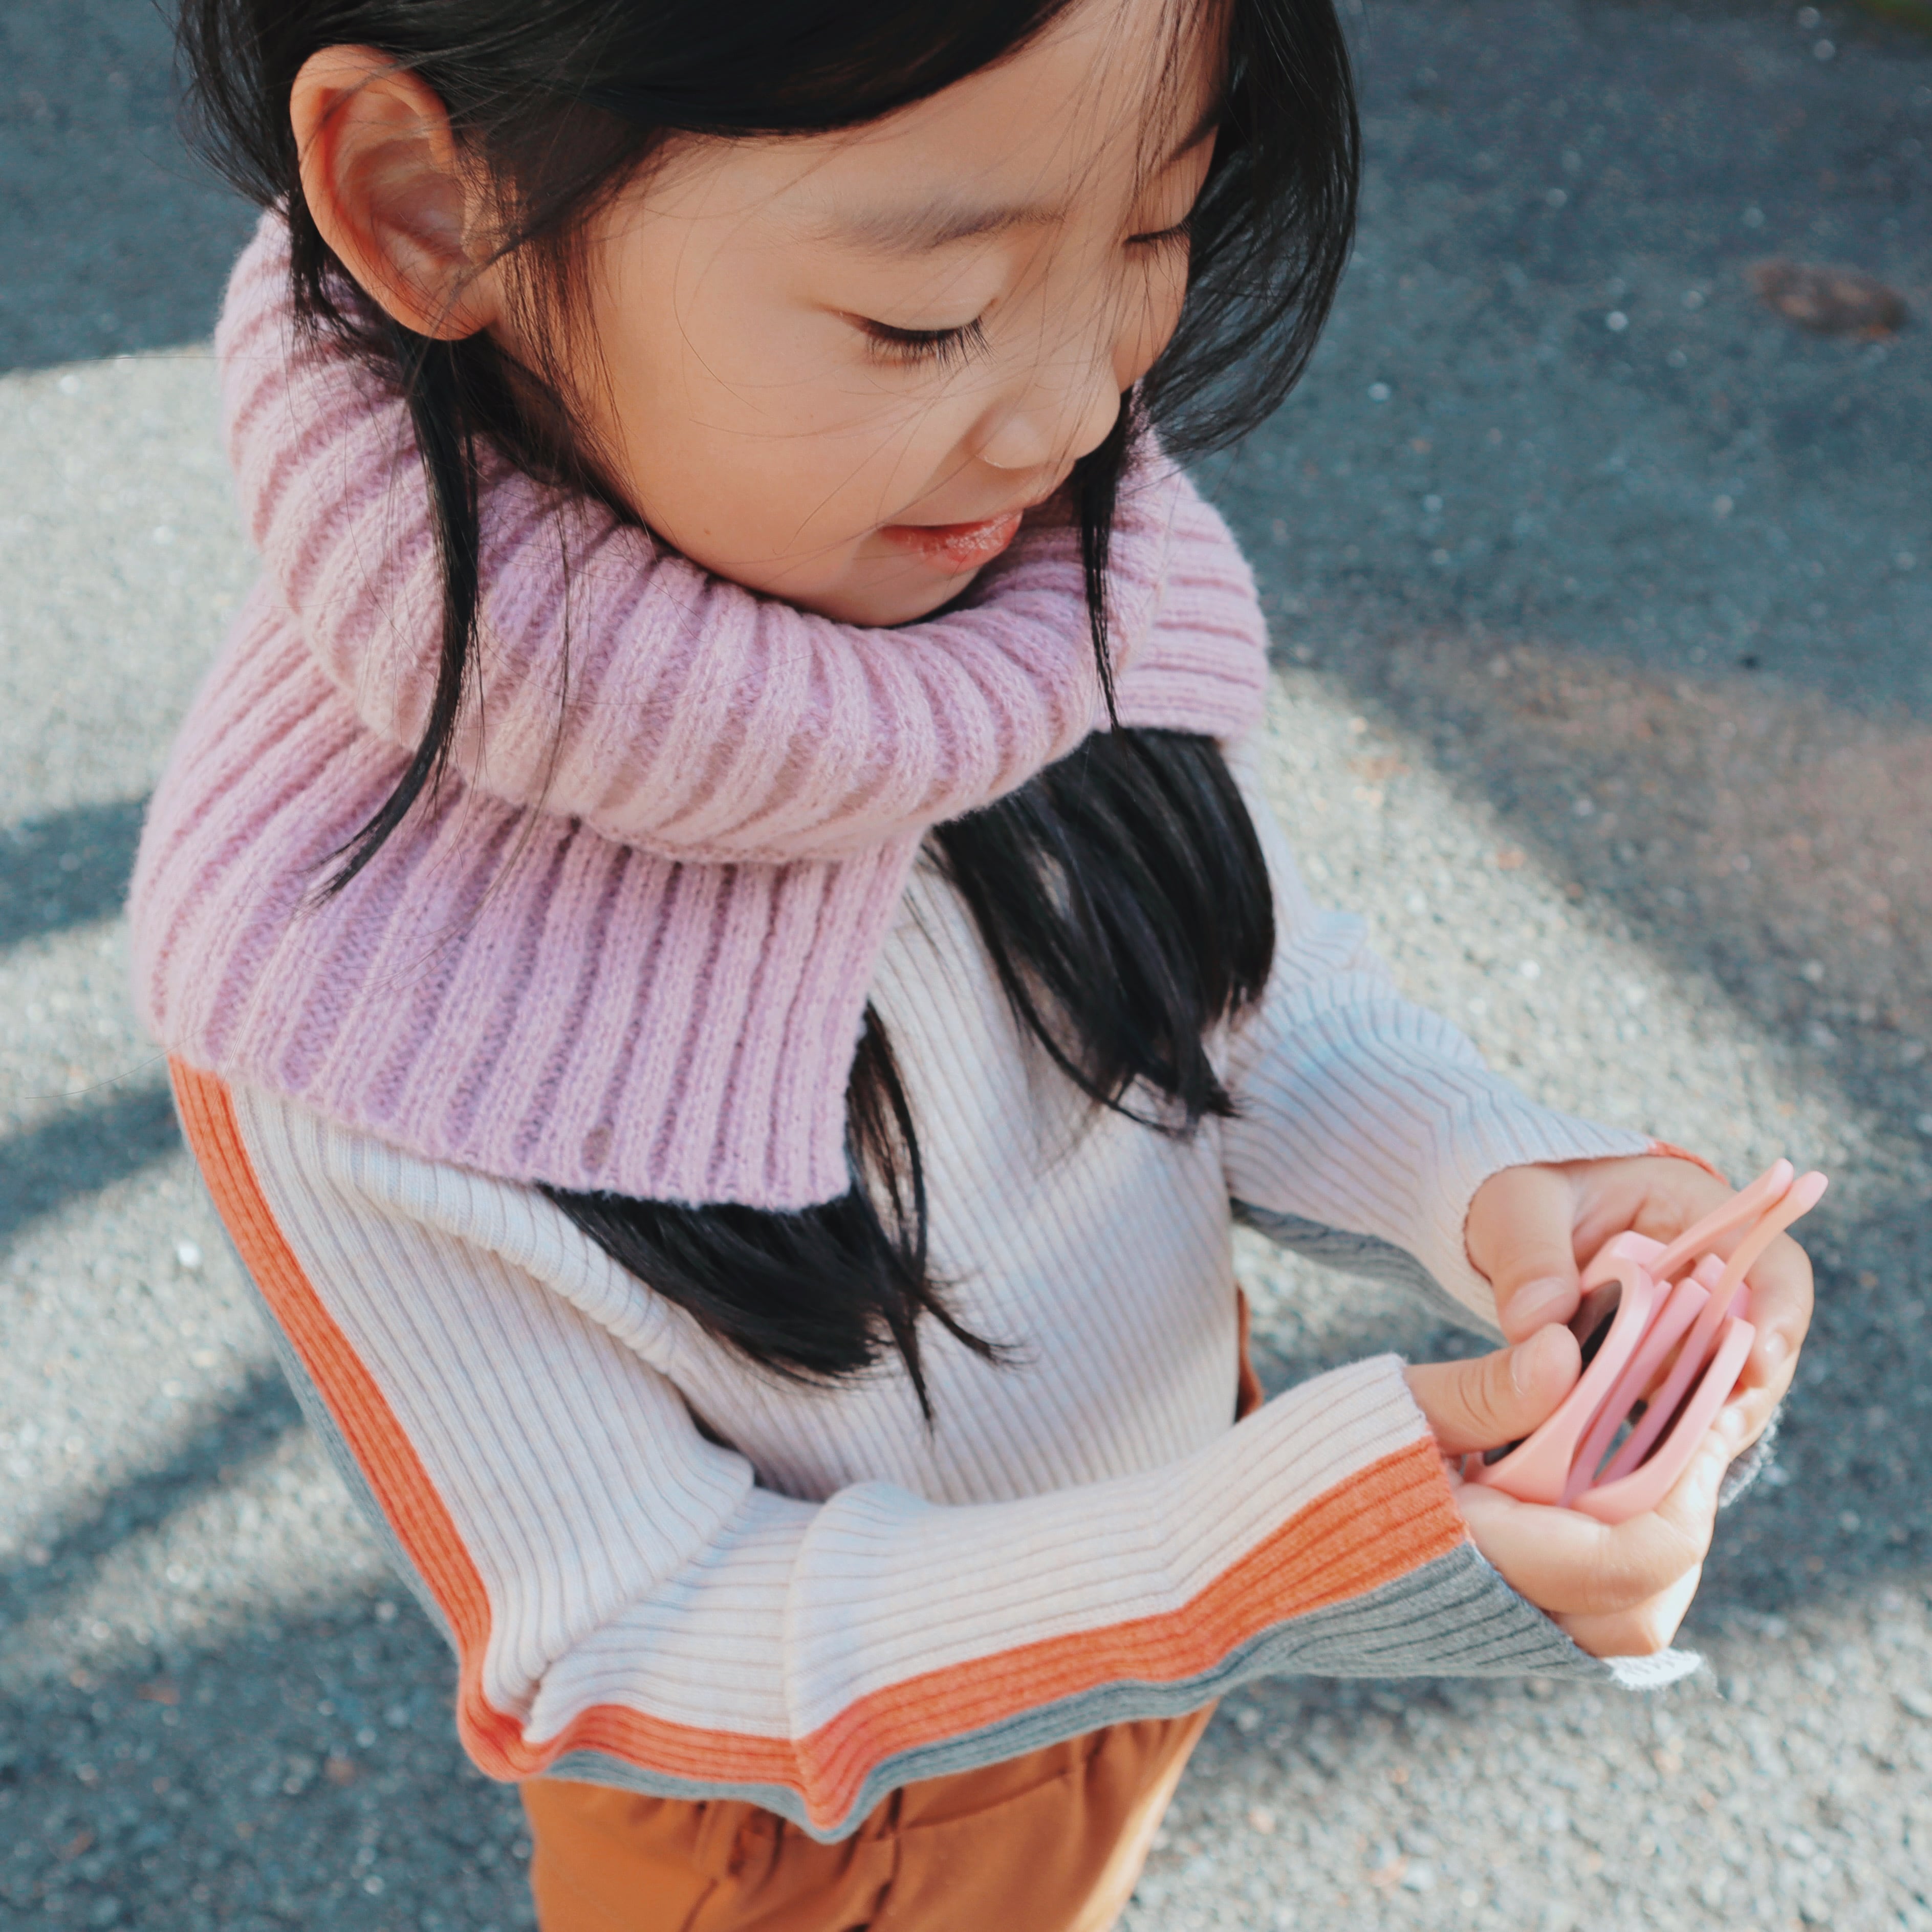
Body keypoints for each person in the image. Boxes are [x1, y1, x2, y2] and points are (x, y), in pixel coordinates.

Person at [135, 0, 1813, 1925]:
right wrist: (1268, 1549)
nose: (1078, 409)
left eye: (1153, 232)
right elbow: (629, 1640)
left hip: (1155, 1598)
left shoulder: (975, 543)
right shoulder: (332, 986)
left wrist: (1515, 1182)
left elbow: (1201, 986)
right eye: (923, 317)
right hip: (817, 1832)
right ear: (430, 206)